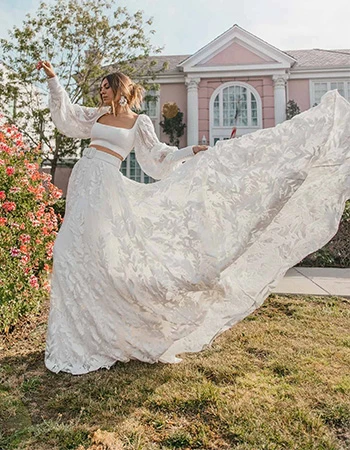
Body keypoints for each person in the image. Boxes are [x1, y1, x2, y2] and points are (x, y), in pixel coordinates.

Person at [38, 61, 350, 375]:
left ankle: (108, 330)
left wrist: (189, 152)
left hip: (106, 186)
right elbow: (65, 117)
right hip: (83, 182)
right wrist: (53, 80)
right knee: (70, 251)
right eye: (100, 89)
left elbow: (157, 159)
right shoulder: (96, 115)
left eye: (105, 87)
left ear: (119, 88)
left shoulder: (138, 122)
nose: (101, 92)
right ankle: (78, 330)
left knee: (102, 254)